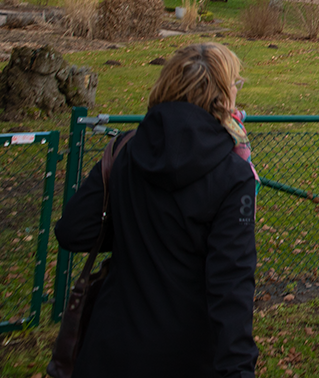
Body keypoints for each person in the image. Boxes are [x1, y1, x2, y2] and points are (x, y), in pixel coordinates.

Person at [55, 43, 259, 376]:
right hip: (185, 356)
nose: (238, 90)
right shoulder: (232, 174)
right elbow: (231, 285)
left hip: (108, 349)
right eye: (235, 83)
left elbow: (74, 228)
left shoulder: (126, 150)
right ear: (221, 98)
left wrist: (139, 230)